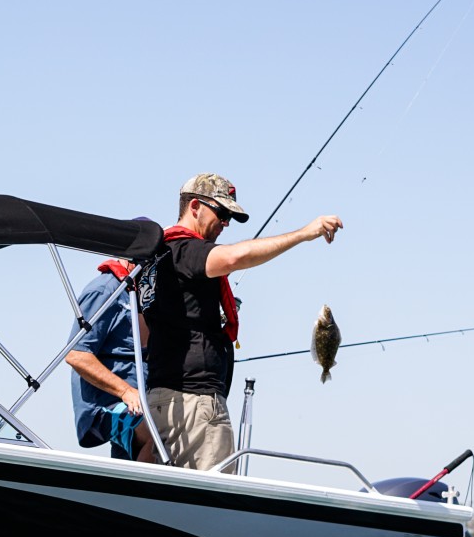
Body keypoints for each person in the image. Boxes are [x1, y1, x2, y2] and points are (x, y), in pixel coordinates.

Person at [137, 173, 343, 471]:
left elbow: (145, 335)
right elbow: (234, 257)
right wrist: (305, 233)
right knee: (209, 507)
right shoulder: (187, 250)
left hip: (160, 398)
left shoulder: (156, 259)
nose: (226, 223)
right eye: (221, 213)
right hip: (195, 405)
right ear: (195, 206)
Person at [64, 258, 143, 459]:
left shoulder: (134, 294)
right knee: (153, 436)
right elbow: (77, 355)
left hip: (137, 404)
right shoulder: (104, 291)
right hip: (110, 407)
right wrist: (126, 391)